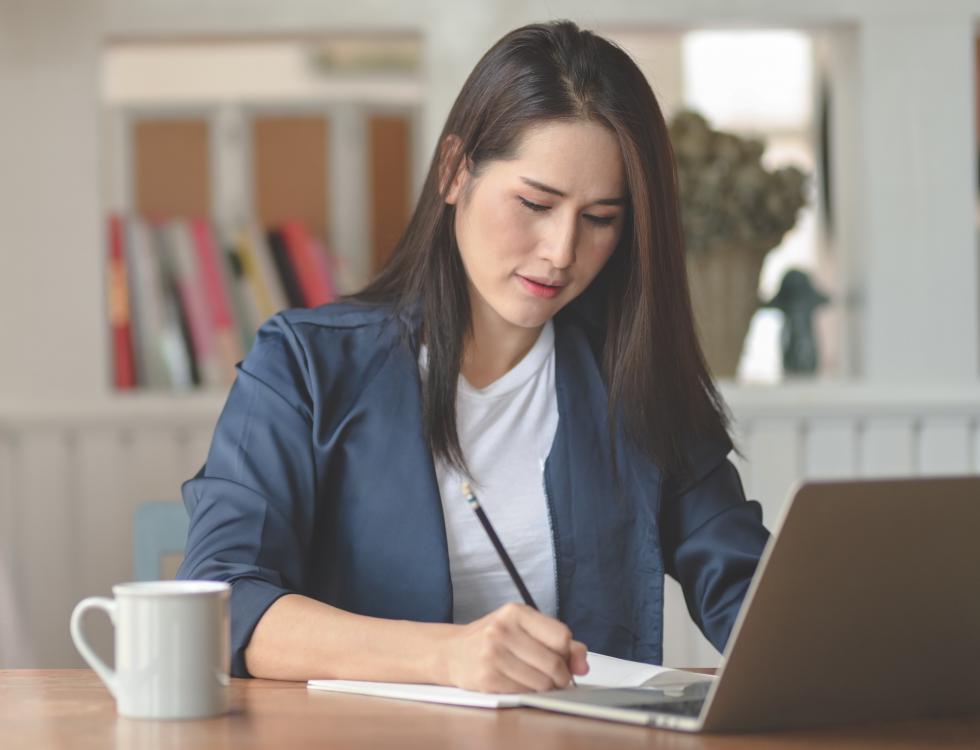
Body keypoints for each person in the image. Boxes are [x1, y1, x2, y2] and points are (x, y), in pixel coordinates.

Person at [177, 19, 770, 692]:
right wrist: (446, 656)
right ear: (455, 170)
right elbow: (220, 602)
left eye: (600, 218)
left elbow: (752, 594)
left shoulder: (634, 381)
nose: (561, 251)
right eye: (536, 203)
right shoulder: (305, 368)